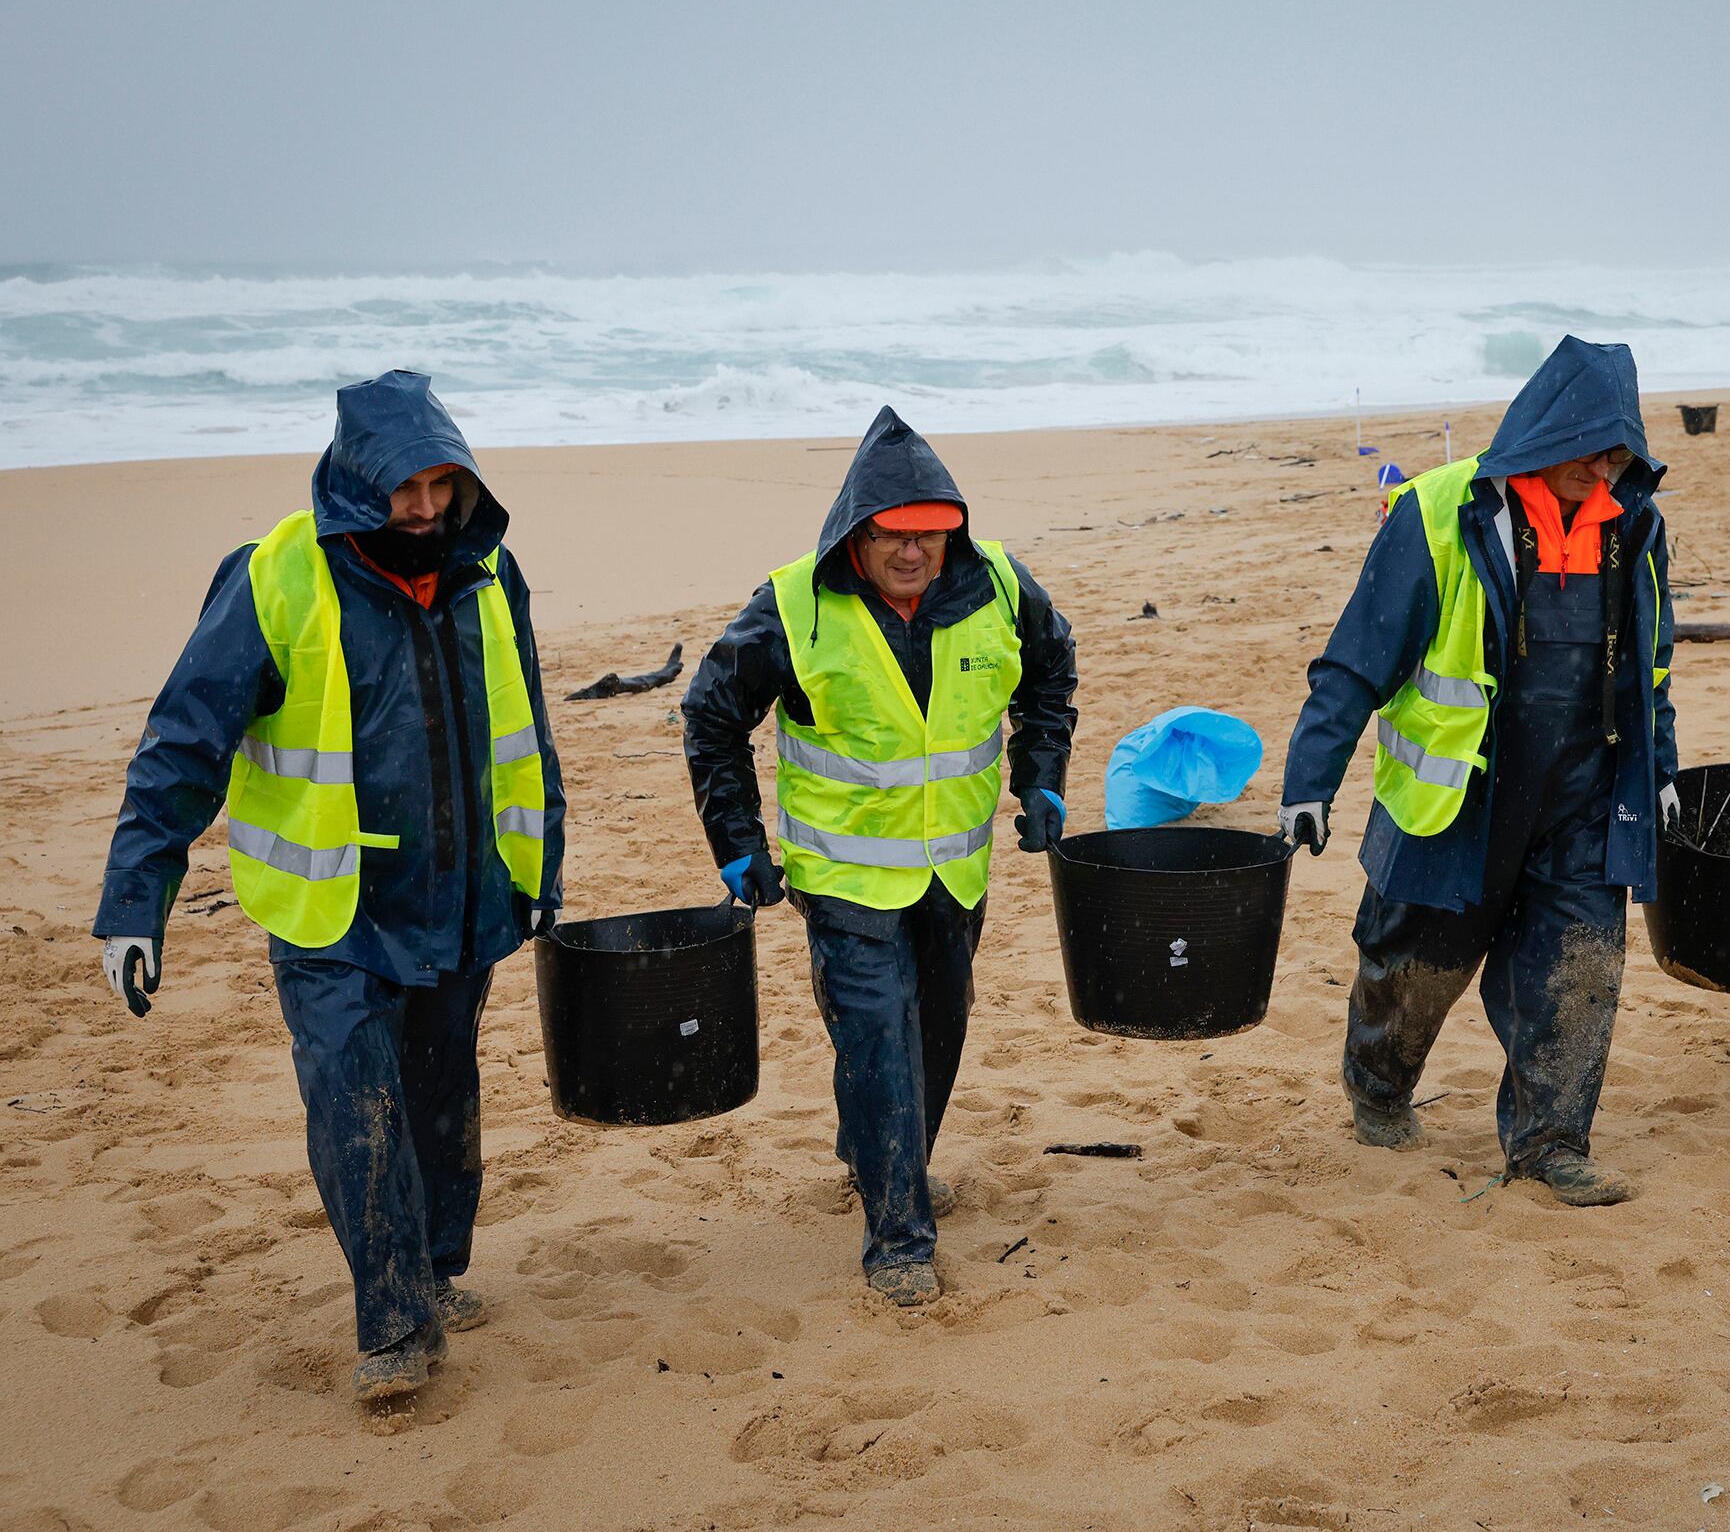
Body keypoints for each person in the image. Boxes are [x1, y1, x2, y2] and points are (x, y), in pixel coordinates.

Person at [93, 371, 566, 1400]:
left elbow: (528, 733)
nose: (427, 508)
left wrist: (545, 871)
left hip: (465, 894)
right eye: (406, 487)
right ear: (358, 479)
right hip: (330, 909)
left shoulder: (491, 572)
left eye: (444, 485)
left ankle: (437, 1274)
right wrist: (136, 903)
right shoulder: (274, 577)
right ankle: (394, 1326)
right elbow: (182, 745)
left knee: (442, 1099)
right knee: (357, 1102)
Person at [682, 407, 1076, 1306]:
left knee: (936, 1037)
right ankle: (897, 1237)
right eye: (893, 537)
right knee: (878, 1044)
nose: (913, 553)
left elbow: (1051, 672)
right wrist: (737, 845)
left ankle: (877, 1156)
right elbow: (711, 718)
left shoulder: (1002, 587)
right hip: (846, 881)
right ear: (856, 535)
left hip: (954, 872)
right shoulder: (791, 607)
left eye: (931, 536)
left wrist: (1041, 776)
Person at [1278, 336, 1677, 1207]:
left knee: (1580, 965)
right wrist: (1311, 780)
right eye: (1585, 444)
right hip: (1458, 799)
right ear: (1543, 427)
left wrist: (1663, 771)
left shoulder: (1637, 526)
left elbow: (1652, 670)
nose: (1600, 466)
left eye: (1616, 451)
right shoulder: (1437, 513)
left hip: (1583, 797)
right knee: (1414, 970)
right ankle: (1377, 1088)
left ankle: (1551, 1141)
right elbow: (1356, 659)